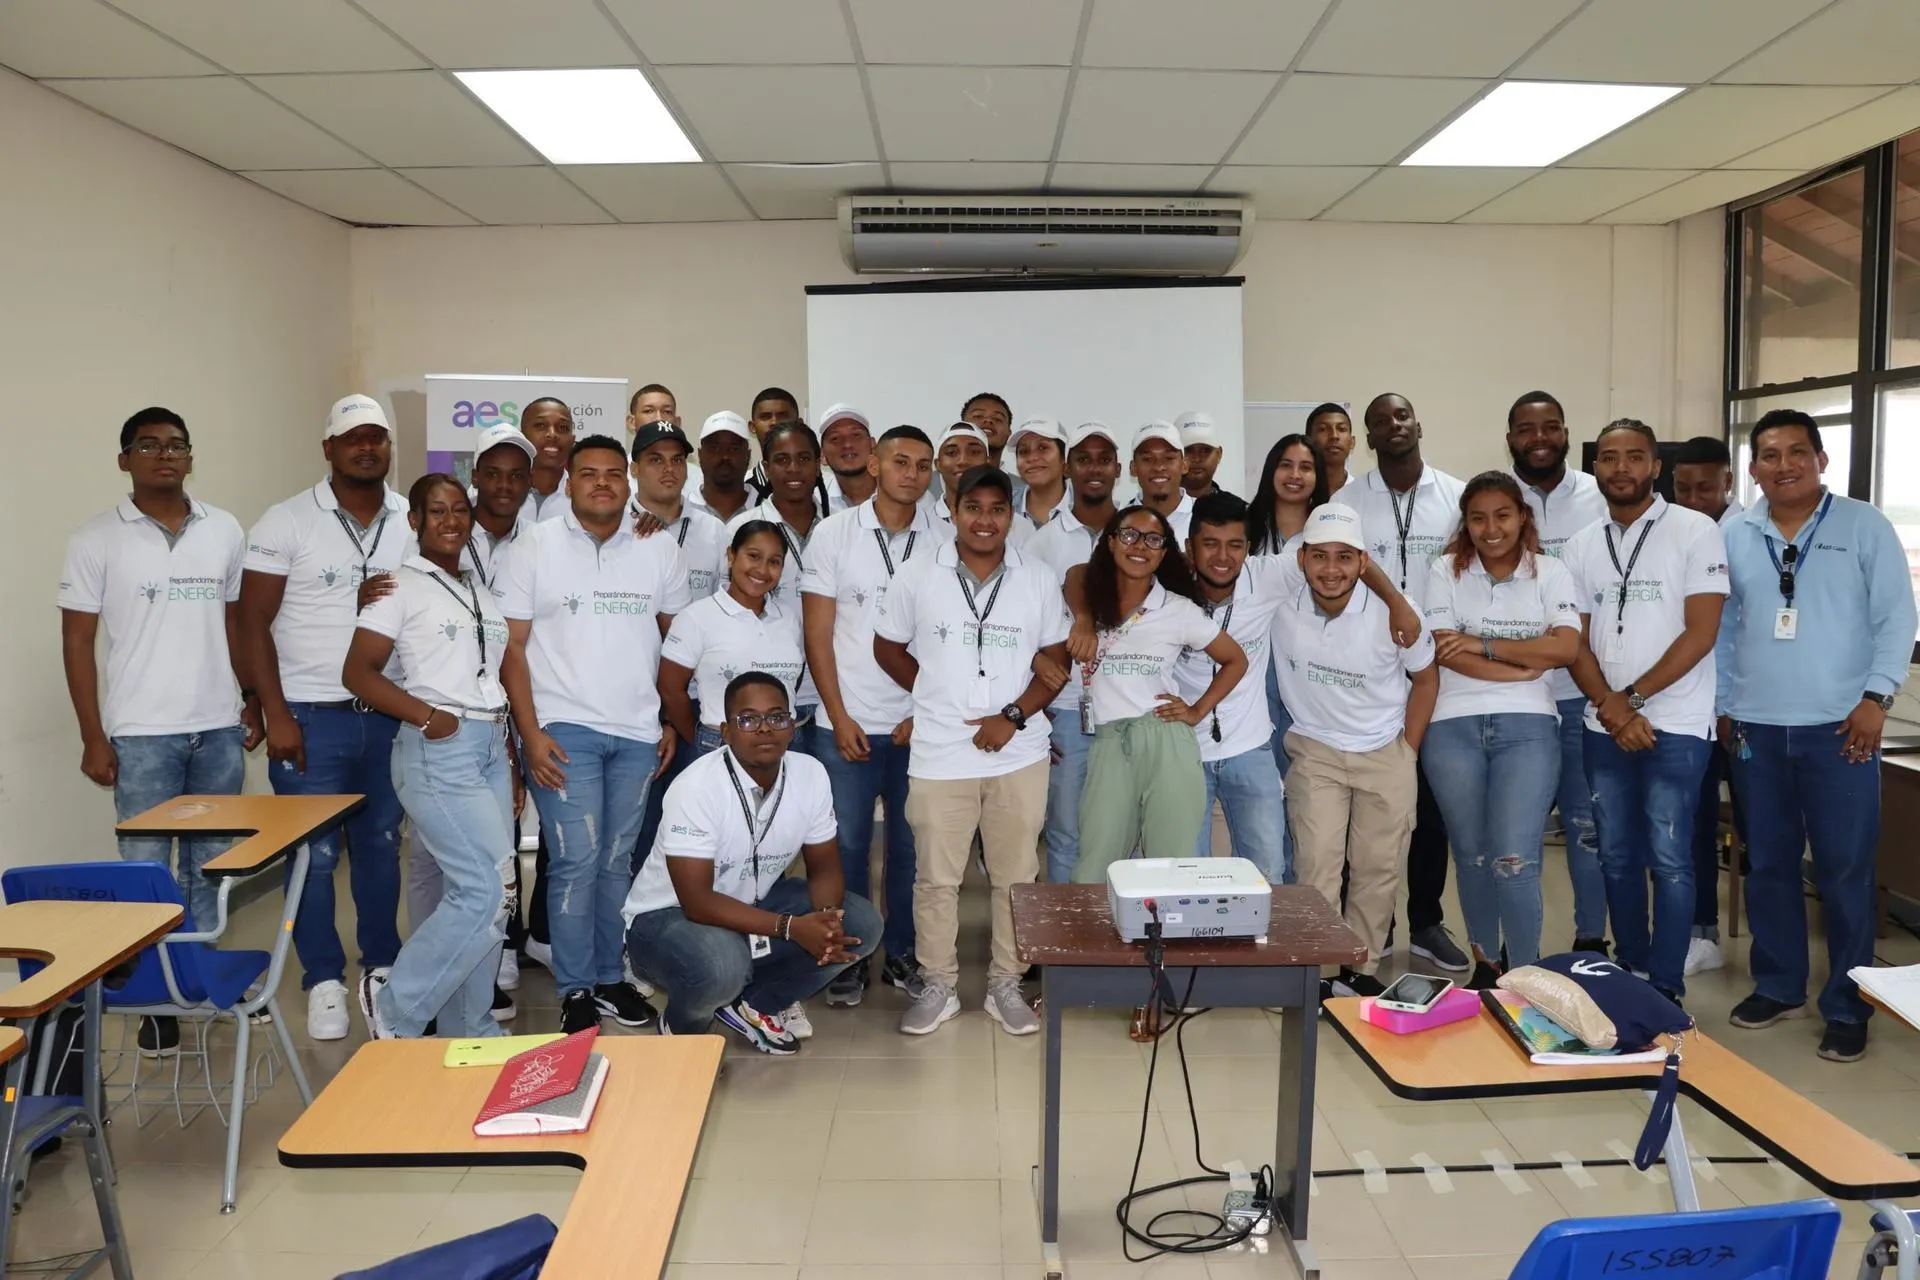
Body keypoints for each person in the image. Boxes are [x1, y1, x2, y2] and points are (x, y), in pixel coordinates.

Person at [1718, 408, 1915, 1063]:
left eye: (1797, 452)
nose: (1784, 465)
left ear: (1822, 460)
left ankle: (1848, 1003)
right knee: (1770, 865)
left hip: (1842, 729)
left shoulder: (1864, 526)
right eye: (1769, 455)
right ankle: (1779, 986)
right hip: (1757, 729)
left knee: (1845, 871)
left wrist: (1876, 697)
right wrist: (1723, 704)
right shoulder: (1733, 531)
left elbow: (1896, 619)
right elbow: (1719, 626)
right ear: (1753, 469)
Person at [60, 407, 258, 1057]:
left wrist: (249, 699)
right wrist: (93, 733)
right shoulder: (97, 539)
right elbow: (78, 639)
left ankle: (199, 982)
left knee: (208, 866)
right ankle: (155, 1000)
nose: (165, 455)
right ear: (125, 460)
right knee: (145, 875)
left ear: (190, 458)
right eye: (149, 446)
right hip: (142, 733)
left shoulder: (223, 529)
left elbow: (235, 626)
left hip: (217, 730)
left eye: (177, 446)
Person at [499, 433, 690, 1035]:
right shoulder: (535, 546)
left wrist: (668, 719)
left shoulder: (657, 549)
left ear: (629, 479)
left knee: (615, 863)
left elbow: (676, 644)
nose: (602, 483)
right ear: (569, 482)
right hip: (563, 732)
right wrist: (528, 732)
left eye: (613, 474)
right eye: (589, 474)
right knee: (576, 861)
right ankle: (575, 987)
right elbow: (512, 648)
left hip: (636, 734)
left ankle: (610, 979)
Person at [874, 466, 1069, 1037]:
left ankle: (1006, 983)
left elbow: (1055, 666)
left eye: (997, 509)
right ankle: (939, 985)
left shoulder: (1036, 578)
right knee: (936, 877)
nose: (985, 520)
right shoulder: (918, 576)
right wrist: (932, 691)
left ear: (1010, 515)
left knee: (1017, 875)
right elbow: (887, 647)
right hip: (940, 753)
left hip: (1018, 752)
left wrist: (1011, 718)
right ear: (953, 512)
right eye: (973, 508)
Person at [239, 394, 409, 1041]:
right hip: (309, 716)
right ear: (329, 449)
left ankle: (382, 964)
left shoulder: (409, 520)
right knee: (310, 855)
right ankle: (323, 980)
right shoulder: (286, 521)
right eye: (353, 438)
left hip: (387, 715)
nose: (367, 447)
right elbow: (251, 620)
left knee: (379, 847)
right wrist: (273, 710)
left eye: (378, 438)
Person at [624, 672, 881, 1053]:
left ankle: (758, 1004)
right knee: (722, 964)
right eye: (748, 719)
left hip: (752, 904)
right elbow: (697, 901)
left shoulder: (809, 774)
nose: (764, 729)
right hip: (666, 918)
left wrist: (825, 923)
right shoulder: (696, 787)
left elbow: (824, 866)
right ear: (726, 732)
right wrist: (793, 928)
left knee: (861, 925)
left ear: (792, 727)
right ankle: (683, 1030)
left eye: (777, 717)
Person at [344, 475, 514, 1040]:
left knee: (498, 889)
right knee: (485, 890)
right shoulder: (396, 586)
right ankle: (396, 1004)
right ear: (413, 520)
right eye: (436, 510)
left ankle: (470, 1024)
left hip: (489, 745)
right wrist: (426, 716)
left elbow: (488, 672)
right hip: (440, 747)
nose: (450, 520)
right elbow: (358, 673)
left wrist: (506, 747)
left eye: (460, 509)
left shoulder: (475, 586)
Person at [1563, 419, 1727, 1006]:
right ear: (1597, 469)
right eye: (1609, 458)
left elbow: (1702, 632)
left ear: (1655, 467)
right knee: (1615, 853)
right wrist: (1611, 709)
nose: (1621, 468)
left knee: (1669, 855)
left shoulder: (1695, 530)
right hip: (1603, 726)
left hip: (1677, 724)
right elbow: (1573, 640)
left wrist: (1628, 701)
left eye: (1635, 457)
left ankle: (1666, 984)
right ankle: (1632, 968)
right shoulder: (1583, 543)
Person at [801, 426, 949, 1006]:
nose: (911, 474)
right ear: (876, 465)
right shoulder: (835, 534)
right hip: (849, 722)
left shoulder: (943, 536)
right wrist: (837, 716)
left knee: (913, 853)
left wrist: (923, 709)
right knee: (846, 851)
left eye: (921, 465)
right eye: (900, 462)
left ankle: (904, 954)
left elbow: (946, 638)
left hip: (920, 726)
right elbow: (818, 636)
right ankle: (850, 957)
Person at [1421, 472, 1583, 988]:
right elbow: (1445, 649)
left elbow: (1565, 649)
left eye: (1503, 515)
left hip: (1529, 728)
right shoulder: (1444, 569)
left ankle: (1526, 975)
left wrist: (1483, 644)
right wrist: (1523, 662)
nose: (1491, 529)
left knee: (1514, 858)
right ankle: (1487, 969)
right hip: (1451, 728)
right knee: (1471, 857)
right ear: (1465, 524)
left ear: (1523, 518)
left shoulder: (1551, 572)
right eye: (1478, 518)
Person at [1276, 504, 1438, 998]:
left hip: (1383, 752)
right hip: (1316, 751)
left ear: (1363, 561)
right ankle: (1318, 973)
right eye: (1320, 556)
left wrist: (1406, 753)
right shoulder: (1280, 602)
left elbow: (1426, 679)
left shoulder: (1396, 612)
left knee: (1377, 868)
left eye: (1344, 557)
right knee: (1317, 868)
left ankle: (1359, 966)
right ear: (1301, 558)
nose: (1331, 569)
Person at [1345, 392, 1469, 973]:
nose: (1392, 426)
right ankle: (1374, 927)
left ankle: (1424, 921)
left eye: (1401, 415)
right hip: (1365, 671)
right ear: (1368, 438)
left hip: (1434, 672)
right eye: (1379, 421)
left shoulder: (1455, 496)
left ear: (1419, 423)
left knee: (1429, 806)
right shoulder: (1347, 500)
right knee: (1367, 808)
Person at [1062, 505, 1246, 881]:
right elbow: (1074, 574)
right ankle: (1102, 942)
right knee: (1095, 866)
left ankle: (1164, 941)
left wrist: (1197, 711)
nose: (1139, 546)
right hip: (1110, 742)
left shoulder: (1177, 609)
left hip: (1166, 740)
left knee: (1170, 866)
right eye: (1129, 535)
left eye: (1153, 540)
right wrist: (1083, 619)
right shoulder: (1089, 597)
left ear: (1164, 552)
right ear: (1110, 543)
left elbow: (1235, 661)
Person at [1506, 391, 1611, 956]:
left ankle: (1591, 938)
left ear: (1567, 433)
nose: (1539, 437)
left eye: (1549, 427)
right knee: (1511, 834)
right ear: (1510, 438)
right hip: (1511, 695)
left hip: (1578, 694)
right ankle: (1509, 949)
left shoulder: (1599, 498)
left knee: (1583, 825)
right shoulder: (1494, 499)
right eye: (1526, 429)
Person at [1172, 494, 1294, 885]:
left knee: (1268, 872)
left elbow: (1345, 550)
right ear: (1189, 547)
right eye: (1210, 544)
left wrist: (1396, 604)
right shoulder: (1165, 584)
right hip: (1182, 753)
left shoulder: (1268, 576)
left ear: (1249, 548)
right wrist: (1086, 620)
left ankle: (1261, 947)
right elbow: (1079, 575)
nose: (1223, 557)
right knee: (1187, 877)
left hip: (1250, 747)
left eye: (1235, 545)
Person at [627, 421, 729, 871]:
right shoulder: (618, 527)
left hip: (698, 706)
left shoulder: (713, 532)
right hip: (637, 700)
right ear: (634, 469)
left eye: (676, 459)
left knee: (699, 831)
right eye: (655, 460)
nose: (668, 470)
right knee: (641, 832)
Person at [1026, 422, 1122, 883]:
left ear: (1118, 468)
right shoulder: (1041, 543)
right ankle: (1068, 948)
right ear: (1068, 468)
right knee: (1065, 832)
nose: (1094, 468)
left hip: (1127, 708)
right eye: (1083, 459)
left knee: (1124, 831)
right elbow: (1020, 623)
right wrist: (1036, 709)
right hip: (1064, 709)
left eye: (1104, 458)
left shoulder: (1136, 534)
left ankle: (1120, 941)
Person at [1672, 434, 1744, 977]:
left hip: (1747, 709)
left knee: (1763, 834)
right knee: (1691, 825)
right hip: (1688, 708)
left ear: (1728, 483)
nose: (1693, 498)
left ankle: (1774, 952)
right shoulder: (1668, 534)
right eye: (1682, 488)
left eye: (1705, 487)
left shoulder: (1747, 535)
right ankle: (1701, 934)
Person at [1245, 433, 1333, 834]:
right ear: (1270, 471)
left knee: (1303, 793)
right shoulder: (1245, 528)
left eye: (1306, 466)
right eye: (1285, 464)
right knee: (1262, 788)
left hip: (1309, 670)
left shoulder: (1329, 533)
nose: (1295, 475)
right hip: (1254, 671)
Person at [659, 520, 804, 762]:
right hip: (719, 745)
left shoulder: (788, 618)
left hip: (784, 747)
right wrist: (700, 739)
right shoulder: (696, 617)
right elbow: (670, 690)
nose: (762, 569)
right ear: (731, 555)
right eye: (753, 556)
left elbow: (791, 683)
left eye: (774, 562)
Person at [725, 420, 828, 736]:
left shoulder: (839, 528)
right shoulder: (743, 528)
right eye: (782, 460)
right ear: (767, 468)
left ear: (819, 462)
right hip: (765, 703)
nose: (794, 469)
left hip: (831, 696)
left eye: (804, 458)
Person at [1007, 416, 1070, 545]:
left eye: (1043, 448)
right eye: (1024, 451)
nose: (1032, 458)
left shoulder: (1084, 510)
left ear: (1064, 457)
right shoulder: (1003, 505)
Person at [1130, 421, 1195, 539]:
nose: (1159, 467)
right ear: (1133, 468)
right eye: (1148, 459)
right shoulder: (1119, 522)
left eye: (1169, 458)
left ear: (1184, 465)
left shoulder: (1206, 518)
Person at [689, 410, 753, 523]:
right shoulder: (681, 509)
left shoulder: (766, 508)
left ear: (748, 455)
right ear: (700, 454)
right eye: (715, 448)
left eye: (734, 448)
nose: (725, 456)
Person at [520, 397, 576, 524]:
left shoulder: (585, 499)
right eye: (540, 425)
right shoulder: (501, 494)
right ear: (521, 436)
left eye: (562, 428)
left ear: (572, 440)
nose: (552, 434)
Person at [817, 403, 876, 510]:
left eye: (856, 435)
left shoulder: (901, 491)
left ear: (873, 445)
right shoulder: (815, 503)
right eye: (835, 438)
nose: (847, 444)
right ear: (822, 456)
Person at [930, 423, 991, 526]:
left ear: (988, 463)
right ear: (938, 464)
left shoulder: (1014, 526)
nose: (962, 461)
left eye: (974, 452)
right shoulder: (921, 522)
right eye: (951, 453)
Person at [1177, 411, 1234, 500]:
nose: (1197, 458)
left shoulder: (1239, 510)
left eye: (1205, 450)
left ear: (1219, 454)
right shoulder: (1152, 509)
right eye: (1188, 450)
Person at [1305, 403, 1356, 496]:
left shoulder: (1363, 493)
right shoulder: (1298, 492)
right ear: (1308, 440)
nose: (1334, 436)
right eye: (1323, 429)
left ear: (1352, 442)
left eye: (1341, 429)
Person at [962, 392, 1014, 467]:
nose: (988, 420)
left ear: (1009, 433)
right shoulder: (940, 478)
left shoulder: (1022, 479)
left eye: (998, 419)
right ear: (962, 427)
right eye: (978, 416)